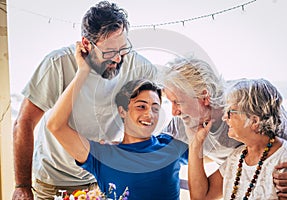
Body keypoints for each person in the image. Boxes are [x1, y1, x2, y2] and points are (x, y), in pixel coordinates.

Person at [12, 1, 157, 199]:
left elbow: (162, 104)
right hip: (53, 181)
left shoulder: (137, 66)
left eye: (122, 49)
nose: (117, 59)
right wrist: (22, 185)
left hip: (102, 179)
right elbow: (24, 122)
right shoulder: (57, 64)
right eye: (109, 52)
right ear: (87, 44)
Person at [46, 52, 188, 199]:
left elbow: (210, 158)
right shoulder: (103, 155)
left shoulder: (171, 146)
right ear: (123, 111)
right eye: (141, 106)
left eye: (155, 108)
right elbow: (56, 126)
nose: (150, 114)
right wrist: (83, 71)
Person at [161, 57, 287, 197]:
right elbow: (152, 155)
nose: (174, 112)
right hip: (240, 176)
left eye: (177, 102)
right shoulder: (234, 158)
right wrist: (195, 143)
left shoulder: (252, 102)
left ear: (204, 96)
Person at [188, 78, 287, 200]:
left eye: (230, 112)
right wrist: (196, 144)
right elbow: (200, 197)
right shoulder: (236, 157)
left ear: (254, 121)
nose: (225, 117)